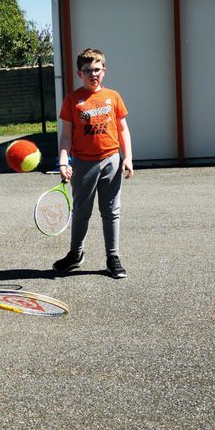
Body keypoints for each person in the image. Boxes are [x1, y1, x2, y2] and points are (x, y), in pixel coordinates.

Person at [53, 47, 134, 279]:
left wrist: (127, 157)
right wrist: (63, 162)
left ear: (104, 70)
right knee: (81, 212)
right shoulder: (72, 100)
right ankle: (75, 255)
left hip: (111, 160)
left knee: (111, 211)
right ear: (79, 73)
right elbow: (66, 136)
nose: (93, 74)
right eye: (87, 70)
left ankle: (112, 257)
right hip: (83, 164)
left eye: (97, 69)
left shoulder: (113, 97)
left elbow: (123, 129)